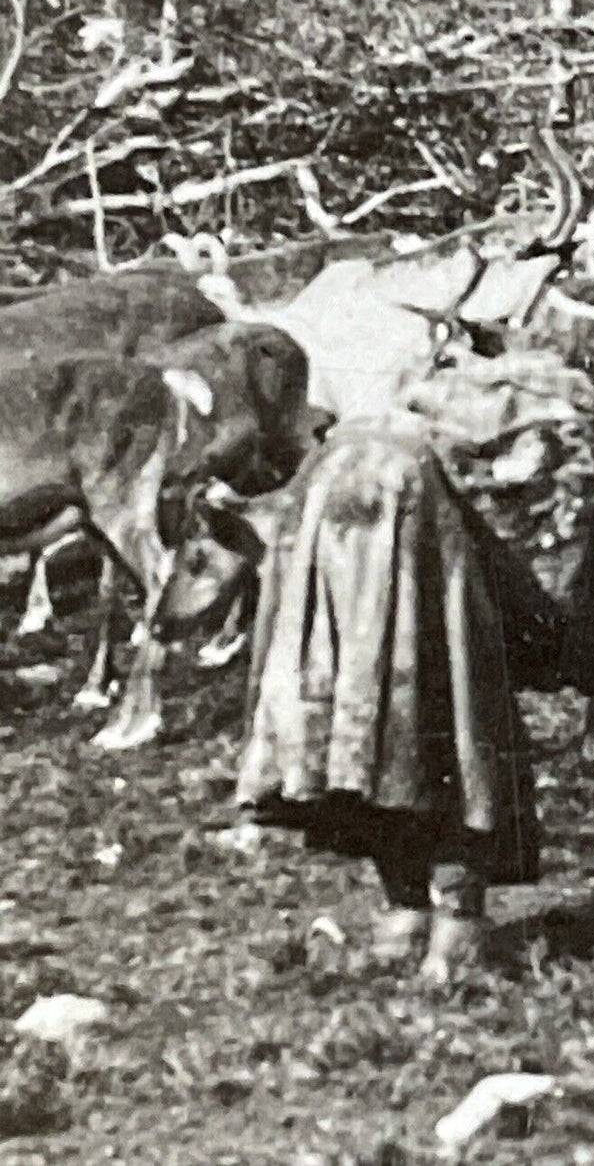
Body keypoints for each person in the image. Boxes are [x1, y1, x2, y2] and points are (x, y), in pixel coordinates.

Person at [233, 417, 541, 987]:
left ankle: (448, 918)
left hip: (367, 512)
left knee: (426, 731)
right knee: (399, 746)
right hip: (359, 513)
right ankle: (417, 910)